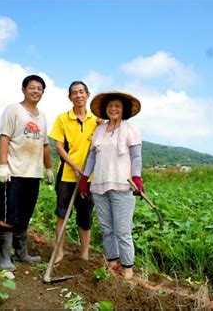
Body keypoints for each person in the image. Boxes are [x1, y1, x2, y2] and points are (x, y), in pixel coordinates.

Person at [78, 91, 144, 279]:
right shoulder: (99, 131)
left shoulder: (130, 129)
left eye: (117, 106)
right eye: (110, 106)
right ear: (105, 110)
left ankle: (128, 270)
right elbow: (92, 156)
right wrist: (85, 178)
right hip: (99, 186)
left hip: (122, 186)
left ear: (123, 110)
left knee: (123, 231)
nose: (113, 109)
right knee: (107, 229)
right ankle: (112, 264)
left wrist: (137, 177)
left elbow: (136, 156)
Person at [0, 74, 54, 270]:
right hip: (13, 172)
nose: (36, 91)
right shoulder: (13, 110)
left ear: (43, 93)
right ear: (24, 90)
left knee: (25, 215)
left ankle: (21, 253)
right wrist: (3, 165)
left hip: (33, 174)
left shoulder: (42, 117)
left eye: (40, 89)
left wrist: (48, 168)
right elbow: (4, 137)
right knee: (7, 215)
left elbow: (45, 146)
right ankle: (4, 256)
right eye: (32, 87)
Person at [49, 81, 101, 264]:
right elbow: (58, 147)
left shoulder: (97, 120)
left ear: (87, 94)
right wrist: (75, 168)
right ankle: (60, 252)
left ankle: (84, 253)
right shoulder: (62, 118)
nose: (78, 95)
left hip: (90, 178)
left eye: (81, 92)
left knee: (85, 215)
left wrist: (85, 172)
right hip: (67, 175)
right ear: (69, 97)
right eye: (74, 93)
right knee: (62, 214)